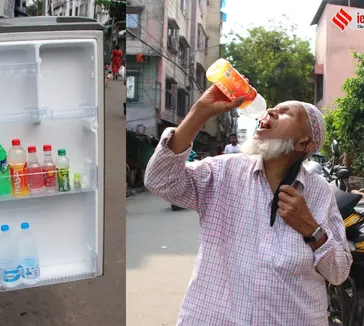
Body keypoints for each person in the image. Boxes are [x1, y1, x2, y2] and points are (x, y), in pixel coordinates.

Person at [144, 85, 352, 325]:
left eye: (285, 113)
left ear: (303, 143)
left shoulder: (319, 193)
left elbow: (339, 273)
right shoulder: (223, 171)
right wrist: (199, 112)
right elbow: (159, 181)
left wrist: (311, 229)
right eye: (272, 108)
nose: (271, 112)